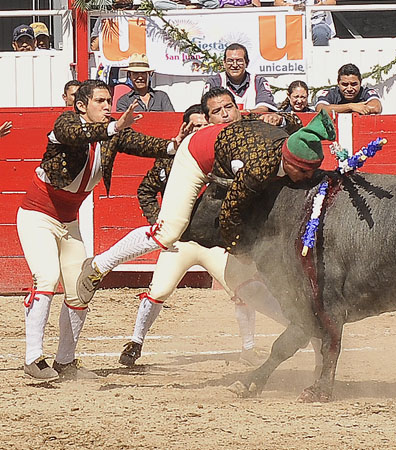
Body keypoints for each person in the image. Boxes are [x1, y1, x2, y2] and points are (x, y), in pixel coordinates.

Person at [76, 87, 336, 309]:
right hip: (196, 156)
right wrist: (242, 248)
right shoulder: (256, 170)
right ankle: (100, 264)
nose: (304, 177)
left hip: (231, 168)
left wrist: (281, 117)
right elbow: (231, 213)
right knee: (168, 232)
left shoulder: (258, 126)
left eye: (229, 107)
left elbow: (295, 126)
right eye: (301, 171)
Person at [17, 79, 189, 380]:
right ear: (82, 105)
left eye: (109, 100)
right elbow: (73, 135)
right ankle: (33, 358)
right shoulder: (68, 122)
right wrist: (113, 127)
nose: (107, 106)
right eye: (100, 101)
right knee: (46, 276)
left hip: (69, 221)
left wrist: (175, 144)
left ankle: (65, 362)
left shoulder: (111, 131)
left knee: (79, 288)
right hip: (37, 215)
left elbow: (144, 144)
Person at [121, 99, 291, 367]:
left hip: (215, 239)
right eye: (195, 126)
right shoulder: (173, 160)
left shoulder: (234, 147)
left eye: (203, 125)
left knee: (242, 287)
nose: (199, 130)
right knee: (160, 289)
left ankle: (250, 346)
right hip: (180, 241)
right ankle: (136, 341)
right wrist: (159, 221)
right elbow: (145, 189)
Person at [203, 43, 277, 112]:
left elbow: (264, 108)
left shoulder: (258, 82)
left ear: (247, 63)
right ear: (224, 63)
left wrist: (244, 114)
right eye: (230, 61)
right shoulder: (214, 82)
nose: (234, 65)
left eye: (239, 61)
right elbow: (207, 109)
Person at [315, 63, 382, 115]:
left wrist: (337, 109)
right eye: (345, 84)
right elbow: (320, 109)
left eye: (353, 84)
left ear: (360, 82)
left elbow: (376, 108)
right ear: (338, 83)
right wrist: (350, 106)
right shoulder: (331, 94)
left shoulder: (366, 92)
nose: (349, 89)